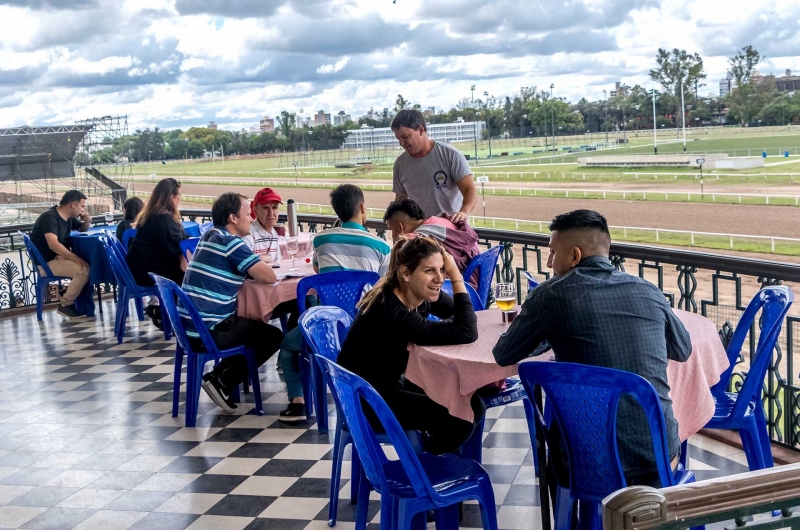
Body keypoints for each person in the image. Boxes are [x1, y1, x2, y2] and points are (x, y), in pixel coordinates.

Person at [492, 209, 692, 487]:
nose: (549, 262)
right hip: (659, 459)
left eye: (552, 252)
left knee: (558, 461)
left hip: (585, 461)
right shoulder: (647, 290)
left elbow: (503, 354)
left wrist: (550, 332)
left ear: (574, 255)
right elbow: (682, 349)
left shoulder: (550, 294)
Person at [337, 236, 483, 455]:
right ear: (405, 273)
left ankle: (432, 458)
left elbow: (462, 316)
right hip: (367, 400)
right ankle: (421, 474)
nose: (438, 278)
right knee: (461, 419)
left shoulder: (415, 293)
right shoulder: (391, 310)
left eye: (442, 269)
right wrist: (456, 277)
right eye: (429, 271)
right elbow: (466, 331)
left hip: (390, 384)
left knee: (472, 405)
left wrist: (445, 278)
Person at [278, 184, 391, 422]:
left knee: (288, 344)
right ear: (362, 208)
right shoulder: (380, 245)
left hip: (326, 331)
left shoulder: (320, 238)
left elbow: (318, 271)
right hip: (365, 331)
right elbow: (382, 284)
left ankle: (297, 402)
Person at [182, 192, 284, 413]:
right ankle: (222, 381)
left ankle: (219, 377)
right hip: (209, 331)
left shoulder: (211, 235)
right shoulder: (231, 243)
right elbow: (269, 277)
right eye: (248, 213)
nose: (251, 218)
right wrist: (261, 261)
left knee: (250, 327)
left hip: (189, 328)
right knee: (273, 336)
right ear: (233, 218)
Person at [391, 109, 477, 223]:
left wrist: (464, 212)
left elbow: (469, 189)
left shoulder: (450, 155)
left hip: (451, 232)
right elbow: (400, 199)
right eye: (398, 139)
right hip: (420, 234)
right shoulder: (400, 164)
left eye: (405, 137)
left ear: (421, 130)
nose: (401, 143)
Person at [126, 178, 187, 328]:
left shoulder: (153, 215)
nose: (180, 198)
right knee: (188, 276)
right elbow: (175, 250)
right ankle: (178, 317)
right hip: (147, 272)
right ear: (171, 197)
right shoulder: (163, 219)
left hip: (137, 269)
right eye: (179, 195)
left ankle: (164, 312)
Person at [383, 198, 479, 286]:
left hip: (453, 289)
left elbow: (390, 268)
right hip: (474, 282)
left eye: (391, 230)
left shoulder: (414, 240)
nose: (393, 235)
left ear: (400, 227)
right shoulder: (443, 221)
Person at [29, 190, 91, 319]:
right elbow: (53, 244)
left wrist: (87, 222)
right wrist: (76, 258)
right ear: (73, 205)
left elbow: (81, 229)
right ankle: (66, 304)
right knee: (83, 270)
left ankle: (72, 295)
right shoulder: (49, 217)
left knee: (88, 264)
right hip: (46, 263)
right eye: (82, 206)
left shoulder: (67, 218)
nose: (82, 210)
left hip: (58, 258)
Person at [242, 187, 282, 262]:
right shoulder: (249, 235)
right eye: (265, 208)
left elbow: (277, 263)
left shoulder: (273, 233)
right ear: (255, 210)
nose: (271, 213)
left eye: (275, 207)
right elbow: (243, 262)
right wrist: (264, 258)